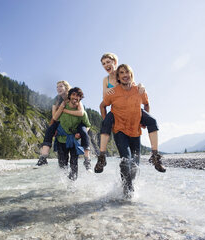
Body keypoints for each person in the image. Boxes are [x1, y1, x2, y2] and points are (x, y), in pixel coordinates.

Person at [98, 64, 165, 197]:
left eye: (127, 72)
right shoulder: (113, 92)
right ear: (118, 77)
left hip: (135, 131)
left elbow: (146, 103)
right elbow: (102, 106)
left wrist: (143, 120)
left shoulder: (139, 90)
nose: (125, 75)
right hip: (120, 131)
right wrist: (108, 122)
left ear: (131, 74)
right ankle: (128, 192)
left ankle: (155, 157)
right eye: (121, 73)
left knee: (134, 166)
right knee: (126, 159)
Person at [36, 81, 91, 169]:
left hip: (77, 123)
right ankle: (43, 157)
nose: (58, 88)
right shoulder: (57, 99)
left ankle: (87, 159)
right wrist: (61, 107)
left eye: (61, 86)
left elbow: (81, 113)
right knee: (50, 130)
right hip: (61, 123)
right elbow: (54, 117)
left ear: (66, 87)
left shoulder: (74, 96)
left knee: (83, 131)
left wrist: (65, 110)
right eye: (57, 87)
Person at [53, 87, 91, 180]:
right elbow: (55, 118)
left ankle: (72, 186)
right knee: (62, 165)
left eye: (78, 96)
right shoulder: (62, 108)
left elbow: (88, 126)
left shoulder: (82, 113)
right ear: (69, 96)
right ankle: (63, 184)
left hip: (74, 140)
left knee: (74, 164)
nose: (75, 97)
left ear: (80, 98)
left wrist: (80, 134)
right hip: (61, 139)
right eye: (73, 94)